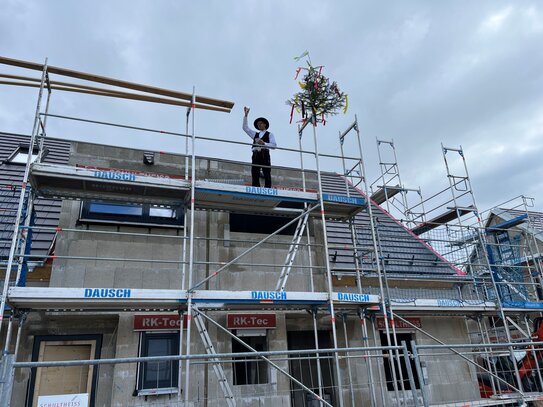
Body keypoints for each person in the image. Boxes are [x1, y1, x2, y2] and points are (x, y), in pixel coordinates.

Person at [242, 107, 277, 188]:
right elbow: (245, 128)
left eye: (261, 123)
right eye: (258, 124)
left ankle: (268, 188)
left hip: (265, 153)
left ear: (265, 124)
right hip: (256, 153)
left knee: (266, 171)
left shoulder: (270, 134)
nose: (259, 125)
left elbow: (274, 145)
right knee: (255, 171)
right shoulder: (255, 134)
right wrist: (246, 115)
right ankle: (255, 187)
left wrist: (264, 143)